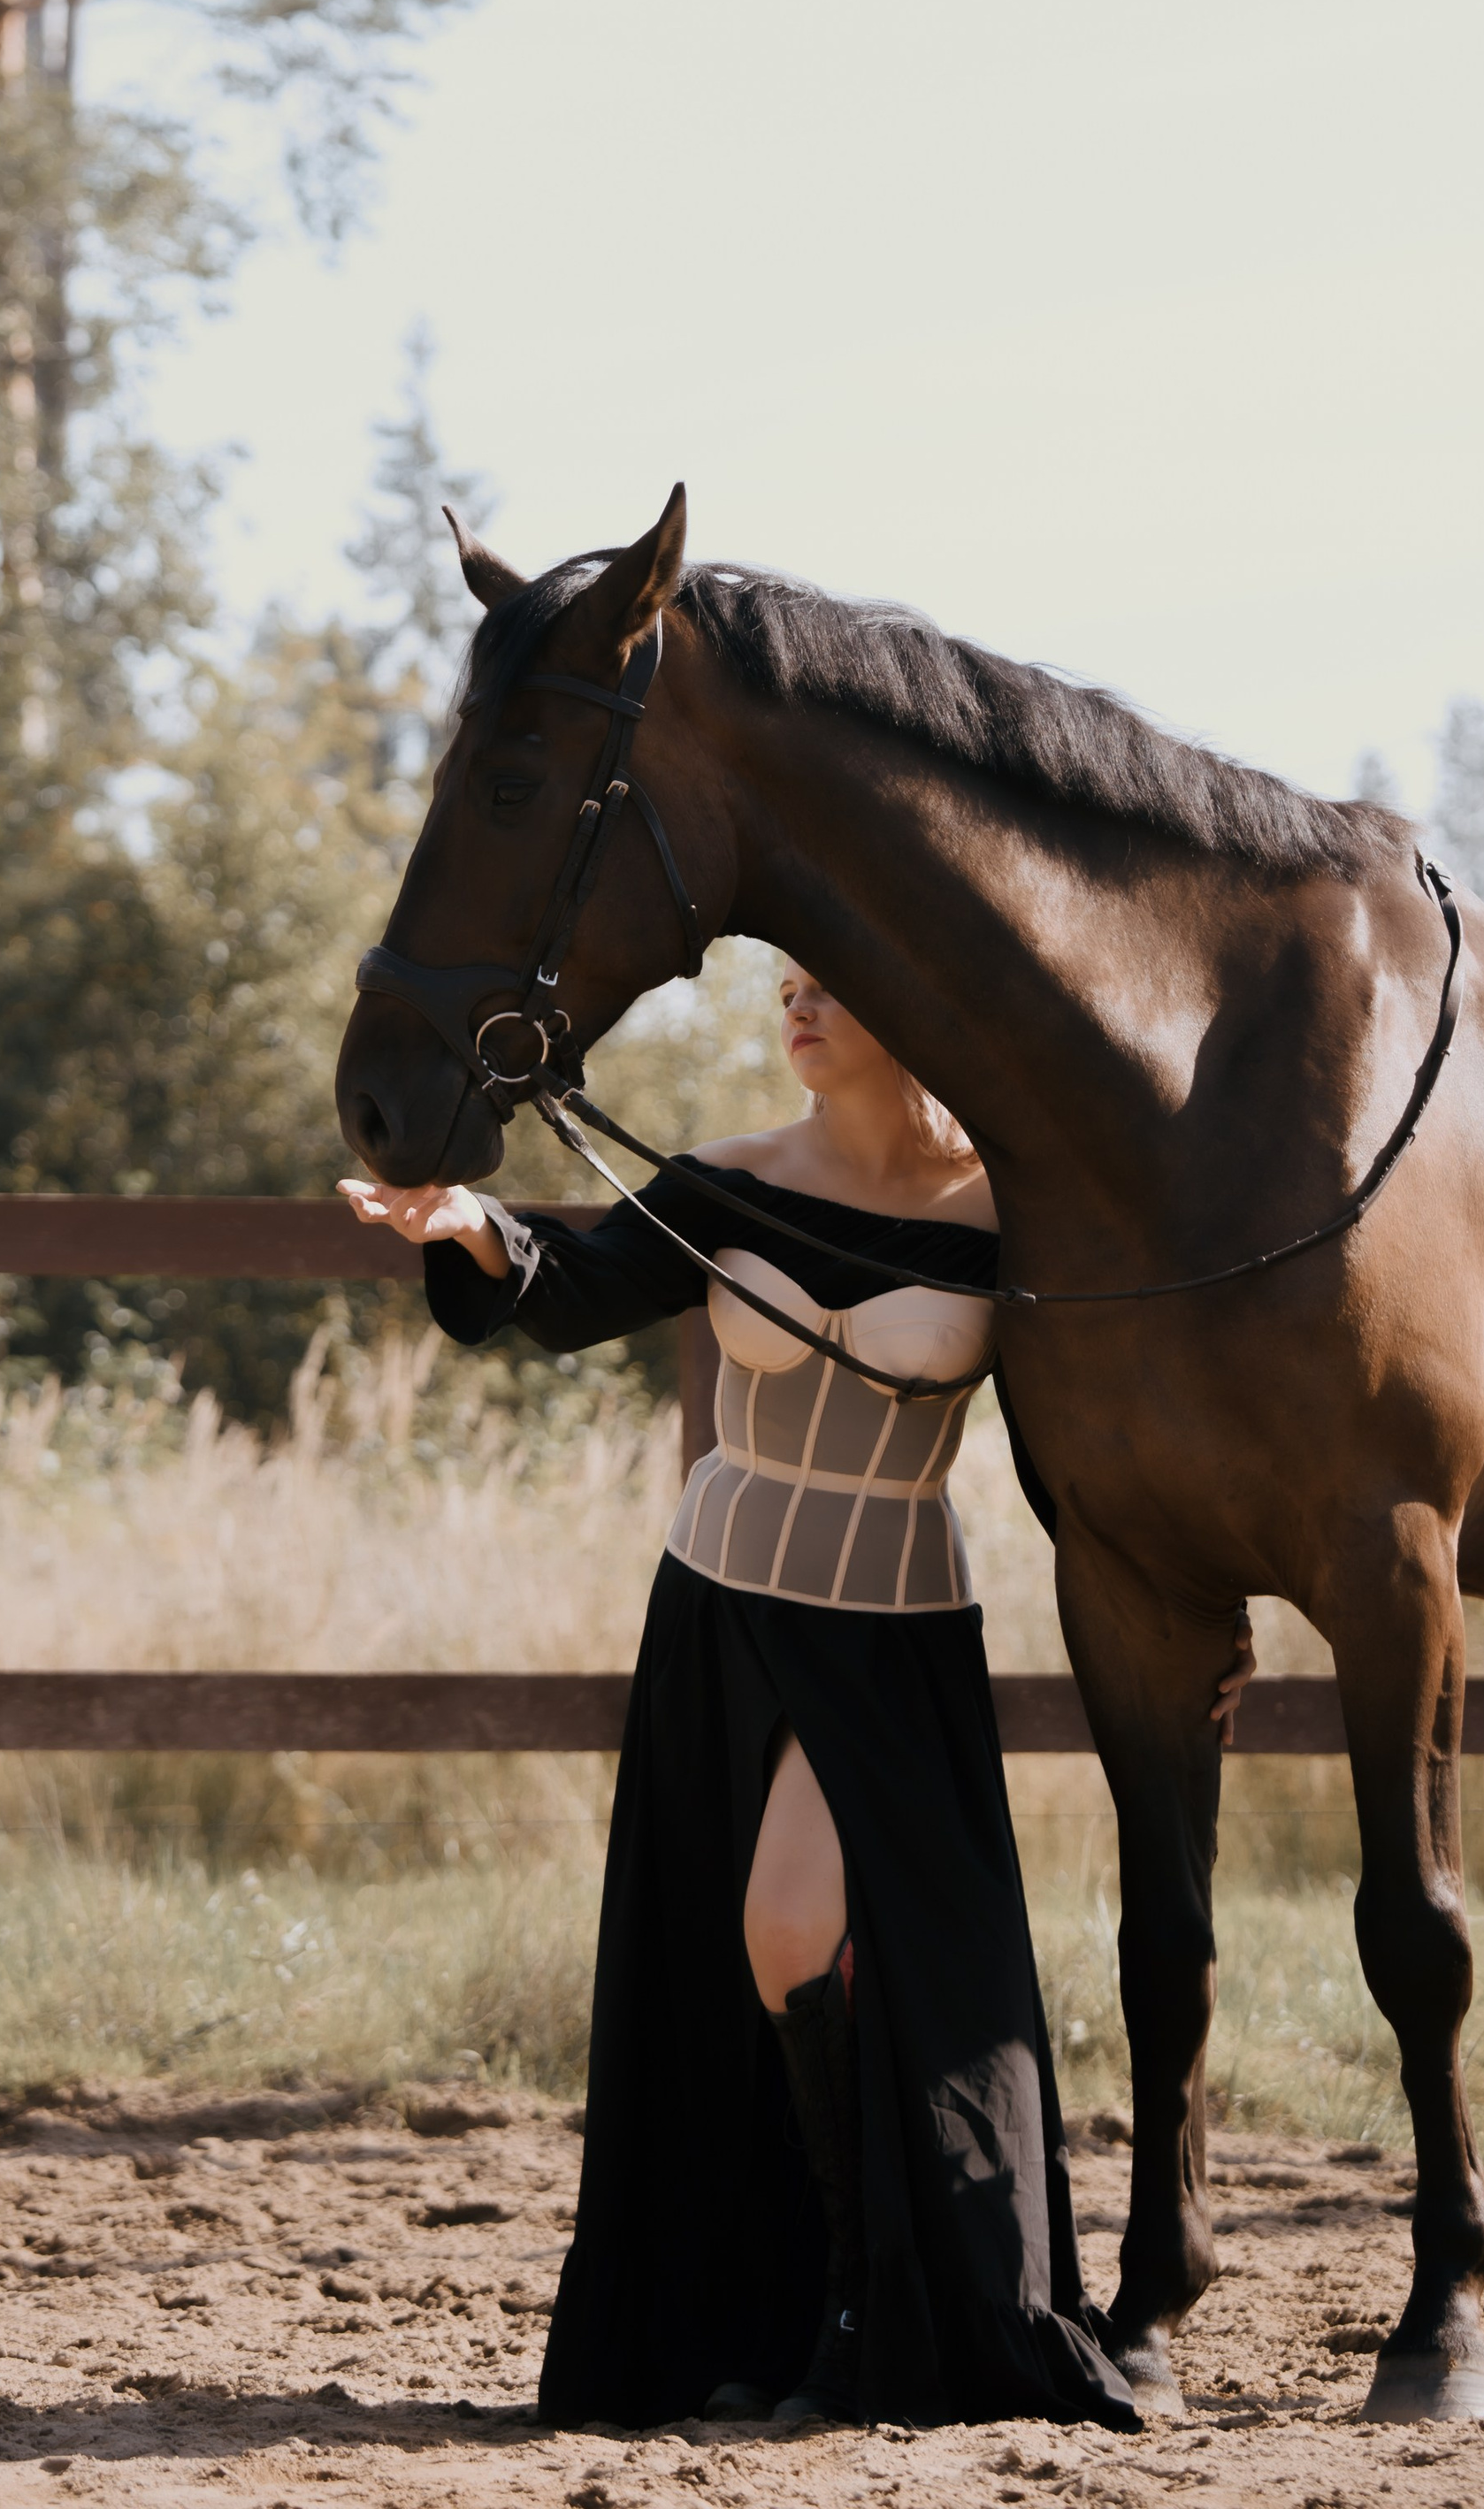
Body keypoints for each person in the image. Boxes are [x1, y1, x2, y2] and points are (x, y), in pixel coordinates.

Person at [340, 965, 1252, 2436]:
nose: (798, 1008)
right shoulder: (731, 1179)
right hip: (722, 1616)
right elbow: (575, 1290)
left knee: (792, 1929)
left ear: (915, 1012)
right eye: (789, 989)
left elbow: (1114, 1402)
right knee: (737, 1969)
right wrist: (470, 1229)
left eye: (831, 987)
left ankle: (861, 2305)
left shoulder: (1011, 1217)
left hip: (894, 1636)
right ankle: (781, 2312)